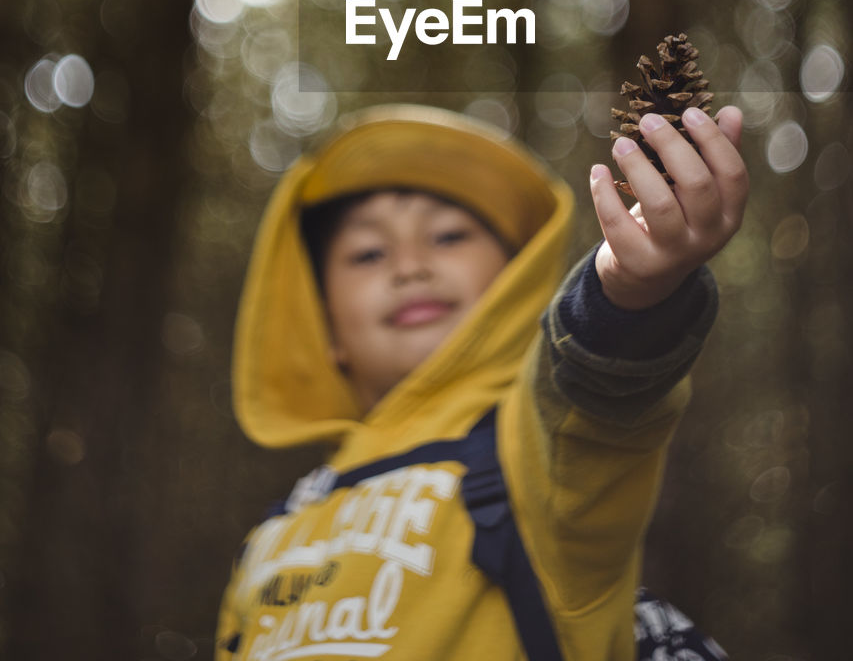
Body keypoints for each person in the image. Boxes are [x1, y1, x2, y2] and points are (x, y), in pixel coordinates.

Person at [216, 99, 748, 660]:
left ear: (516, 283)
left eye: (447, 237)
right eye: (369, 253)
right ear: (324, 331)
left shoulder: (536, 446)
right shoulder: (272, 532)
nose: (409, 266)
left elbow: (591, 399)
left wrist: (628, 291)